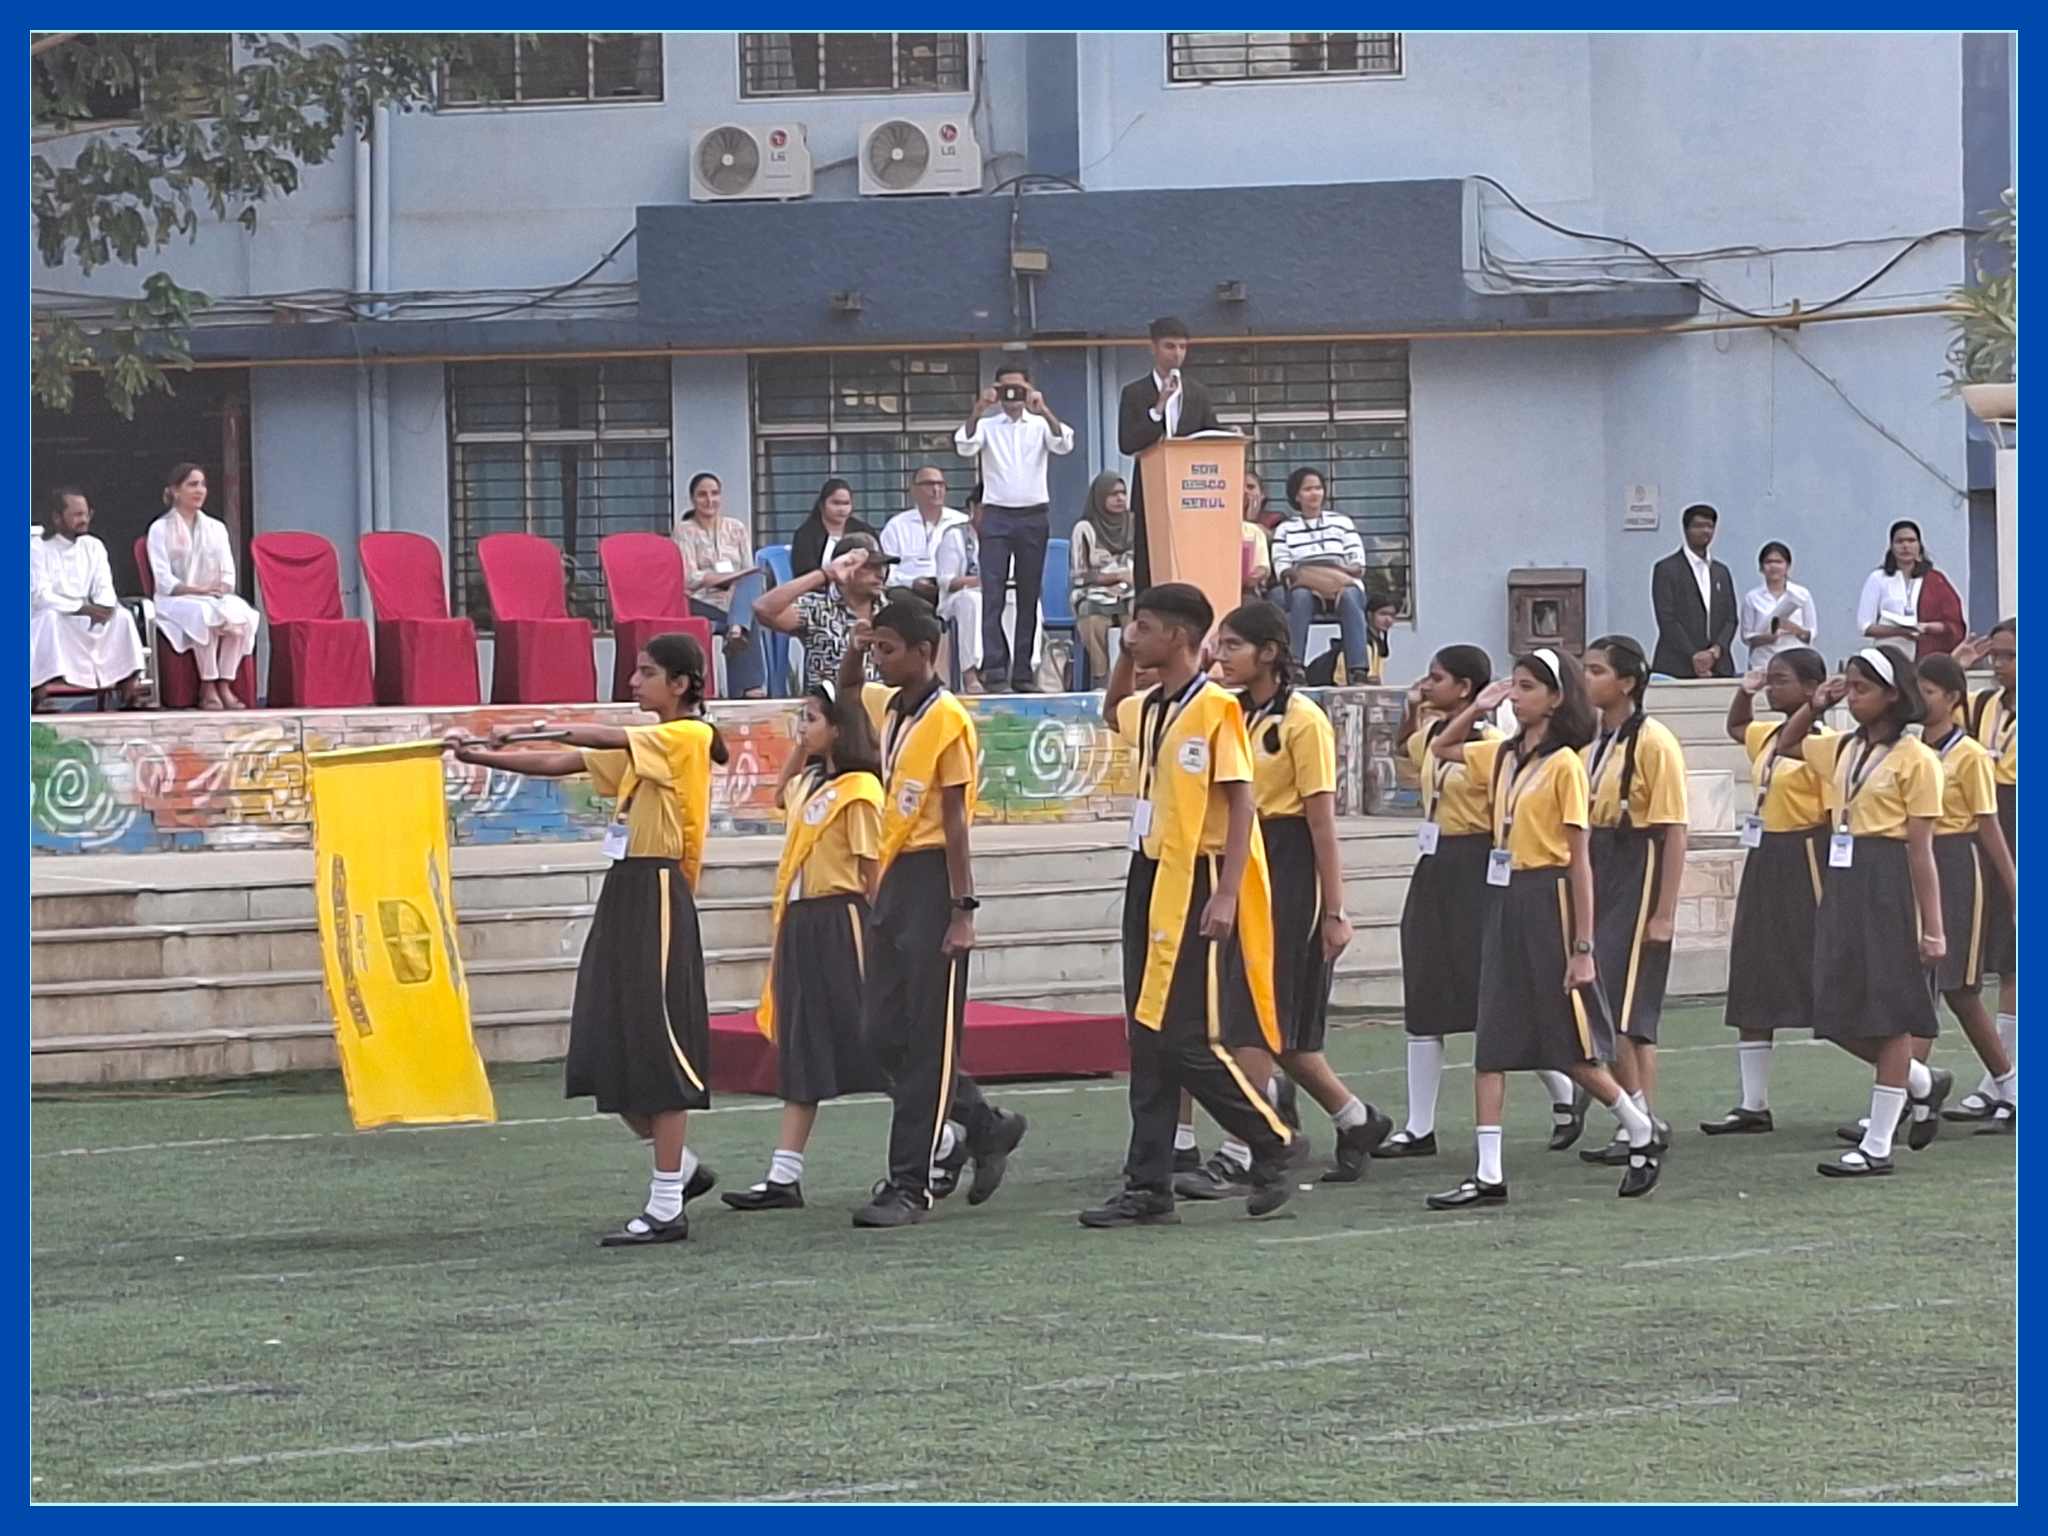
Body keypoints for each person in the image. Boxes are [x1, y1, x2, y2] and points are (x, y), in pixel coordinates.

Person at [446, 634, 726, 1244]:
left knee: (658, 1042)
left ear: (680, 683)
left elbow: (597, 737)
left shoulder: (687, 736)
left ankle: (666, 1205)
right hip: (626, 888)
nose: (634, 681)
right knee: (606, 1043)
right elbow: (563, 764)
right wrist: (482, 756)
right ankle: (681, 1173)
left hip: (657, 888)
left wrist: (527, 728)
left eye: (647, 672)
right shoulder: (648, 745)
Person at [1080, 583, 1296, 1228]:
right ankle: (1148, 1185)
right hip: (1151, 871)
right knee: (1145, 1035)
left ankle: (1271, 1139)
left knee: (1182, 1037)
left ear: (1178, 637)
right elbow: (1112, 709)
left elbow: (1241, 801)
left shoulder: (1215, 709)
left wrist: (1227, 891)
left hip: (1198, 876)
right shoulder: (1152, 707)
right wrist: (1124, 655)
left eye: (1143, 627)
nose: (1132, 635)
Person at [1168, 602, 1391, 1196]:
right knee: (1271, 1028)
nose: (1221, 657)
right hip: (1241, 861)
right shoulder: (1228, 711)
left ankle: (1244, 1149)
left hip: (1287, 867)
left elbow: (1321, 823)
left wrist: (1335, 910)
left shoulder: (1302, 720)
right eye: (1219, 645)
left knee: (1256, 1019)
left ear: (1269, 652)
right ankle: (1355, 1119)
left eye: (1234, 646)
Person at [1425, 649, 1662, 1205]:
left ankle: (1638, 1124)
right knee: (1492, 1037)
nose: (1517, 695)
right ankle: (1488, 1173)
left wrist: (1583, 946)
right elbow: (1441, 748)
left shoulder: (1564, 766)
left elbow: (1579, 860)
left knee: (1566, 1041)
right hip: (1504, 896)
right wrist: (1478, 706)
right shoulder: (1504, 756)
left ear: (1557, 698)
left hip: (1547, 896)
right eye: (1516, 685)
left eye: (1529, 687)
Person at [839, 597, 1028, 1227]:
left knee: (929, 1040)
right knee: (880, 1034)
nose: (879, 659)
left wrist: (961, 909)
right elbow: (846, 692)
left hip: (932, 879)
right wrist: (856, 644)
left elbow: (954, 823)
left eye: (888, 649)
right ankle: (984, 1124)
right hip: (894, 876)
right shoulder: (892, 706)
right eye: (876, 647)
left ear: (924, 651)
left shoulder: (948, 720)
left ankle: (909, 1184)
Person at [1772, 647, 1950, 1178]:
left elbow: (1921, 851)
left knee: (1888, 1011)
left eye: (1862, 688)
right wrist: (1815, 704)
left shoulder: (1916, 759)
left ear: (1893, 695)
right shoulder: (1844, 748)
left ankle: (1878, 1144)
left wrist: (1933, 927)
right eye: (1848, 686)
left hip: (1888, 879)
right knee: (1830, 1007)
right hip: (1844, 877)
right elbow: (1786, 744)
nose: (1851, 697)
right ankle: (1920, 1081)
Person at [724, 681, 887, 1211]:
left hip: (841, 918)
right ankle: (784, 1174)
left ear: (839, 728)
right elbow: (780, 793)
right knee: (801, 1044)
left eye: (812, 719)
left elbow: (873, 873)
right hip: (799, 922)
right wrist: (802, 745)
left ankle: (950, 1132)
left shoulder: (860, 791)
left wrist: (885, 935)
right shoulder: (813, 783)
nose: (802, 728)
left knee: (873, 1036)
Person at [1700, 647, 1831, 1135]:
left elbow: (1834, 813)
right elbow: (1738, 726)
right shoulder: (1769, 736)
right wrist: (1745, 690)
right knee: (1753, 967)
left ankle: (1911, 1080)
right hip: (1766, 854)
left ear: (1812, 688)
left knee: (1816, 969)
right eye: (1771, 679)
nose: (1773, 688)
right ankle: (1752, 1103)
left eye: (1782, 680)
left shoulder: (1826, 745)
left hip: (1806, 854)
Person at [1381, 645, 1499, 1156]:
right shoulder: (1432, 735)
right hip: (1436, 861)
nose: (1428, 685)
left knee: (1490, 990)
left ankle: (1564, 1091)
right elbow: (1406, 748)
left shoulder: (1493, 744)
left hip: (1477, 861)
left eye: (1438, 678)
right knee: (1426, 987)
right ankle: (1419, 1125)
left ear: (1466, 689)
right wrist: (1411, 708)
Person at [1577, 636, 1688, 1164]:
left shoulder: (1654, 742)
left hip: (1635, 862)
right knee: (1620, 1006)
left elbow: (1674, 830)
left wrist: (1664, 912)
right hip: (1598, 858)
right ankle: (1641, 1118)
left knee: (1617, 999)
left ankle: (1638, 1119)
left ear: (1627, 682)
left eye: (1597, 671)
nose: (1587, 679)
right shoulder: (1593, 740)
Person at [1914, 654, 2017, 1130]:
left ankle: (2008, 1086)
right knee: (1929, 985)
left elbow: (1988, 826)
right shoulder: (1911, 748)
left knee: (1958, 986)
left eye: (1929, 692)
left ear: (1953, 698)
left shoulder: (1970, 754)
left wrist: (2014, 889)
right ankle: (1909, 1090)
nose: (1920, 700)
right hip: (1917, 861)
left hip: (1957, 862)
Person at [953, 360, 1074, 693]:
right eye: (1005, 389)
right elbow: (964, 445)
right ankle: (995, 670)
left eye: (1017, 389)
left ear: (1028, 388)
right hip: (996, 515)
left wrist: (1042, 407)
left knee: (1028, 594)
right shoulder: (988, 425)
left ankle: (1022, 673)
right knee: (992, 592)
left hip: (1033, 515)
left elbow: (1064, 443)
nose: (1011, 396)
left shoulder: (1039, 424)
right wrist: (979, 408)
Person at [1949, 619, 2017, 1125]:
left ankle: (2006, 1078)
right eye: (1996, 655)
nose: (1999, 665)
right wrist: (1956, 668)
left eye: (2010, 656)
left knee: (2015, 957)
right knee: (1992, 953)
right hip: (1985, 821)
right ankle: (2001, 1076)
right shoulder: (1981, 705)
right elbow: (1927, 712)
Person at [1118, 317, 1225, 588]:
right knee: (1149, 562)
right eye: (1169, 346)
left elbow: (1211, 435)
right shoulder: (1134, 392)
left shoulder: (1197, 393)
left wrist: (1229, 436)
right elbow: (1127, 443)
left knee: (1190, 562)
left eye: (1182, 347)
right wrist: (1158, 408)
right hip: (1150, 489)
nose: (1177, 354)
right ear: (1153, 348)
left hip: (1191, 491)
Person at [145, 462, 261, 710]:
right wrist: (197, 591)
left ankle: (225, 683)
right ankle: (207, 685)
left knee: (241, 614)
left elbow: (228, 573)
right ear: (176, 491)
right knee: (204, 613)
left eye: (202, 485)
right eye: (192, 485)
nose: (200, 490)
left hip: (212, 596)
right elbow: (164, 580)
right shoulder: (160, 529)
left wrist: (219, 590)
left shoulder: (216, 528)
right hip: (174, 600)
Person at [31, 487, 145, 711]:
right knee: (49, 620)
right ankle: (40, 693)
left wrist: (105, 608)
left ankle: (129, 690)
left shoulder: (94, 546)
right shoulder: (38, 548)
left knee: (121, 617)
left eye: (86, 514)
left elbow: (104, 586)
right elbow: (41, 596)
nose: (83, 520)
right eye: (76, 515)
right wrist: (81, 608)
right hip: (55, 615)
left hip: (87, 616)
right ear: (57, 517)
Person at [880, 466, 982, 693]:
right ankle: (928, 678)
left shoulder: (960, 522)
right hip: (909, 590)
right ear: (913, 490)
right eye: (928, 484)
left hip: (949, 588)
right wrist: (913, 583)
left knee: (973, 602)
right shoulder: (897, 525)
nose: (936, 490)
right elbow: (887, 572)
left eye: (940, 485)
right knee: (914, 609)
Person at [755, 537, 894, 692]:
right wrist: (826, 574)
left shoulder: (893, 608)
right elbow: (763, 609)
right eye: (869, 567)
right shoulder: (817, 607)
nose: (881, 574)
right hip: (831, 703)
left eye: (882, 566)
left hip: (884, 702)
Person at [673, 472, 766, 699]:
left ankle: (736, 629)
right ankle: (748, 688)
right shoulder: (684, 530)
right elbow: (688, 577)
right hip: (701, 600)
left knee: (754, 580)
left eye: (714, 494)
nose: (709, 500)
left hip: (734, 598)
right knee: (747, 617)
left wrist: (736, 579)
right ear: (692, 499)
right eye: (702, 495)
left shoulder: (736, 528)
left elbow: (748, 568)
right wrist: (717, 579)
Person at [1270, 468, 1371, 677]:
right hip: (1305, 585)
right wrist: (1291, 574)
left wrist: (1344, 569)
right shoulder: (1285, 529)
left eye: (1318, 488)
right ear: (1297, 496)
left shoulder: (1342, 522)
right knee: (1300, 596)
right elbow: (1281, 563)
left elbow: (1357, 561)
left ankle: (1358, 669)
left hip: (1341, 583)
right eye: (1307, 489)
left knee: (1351, 596)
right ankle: (1294, 666)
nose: (1314, 493)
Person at [1649, 503, 1738, 679]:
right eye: (1698, 526)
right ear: (1686, 529)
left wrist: (1715, 650)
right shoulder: (1666, 569)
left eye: (1710, 526)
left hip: (1718, 666)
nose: (1705, 531)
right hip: (1677, 665)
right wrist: (1694, 654)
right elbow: (1667, 619)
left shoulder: (1720, 571)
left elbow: (1731, 619)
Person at [1856, 519, 1965, 661]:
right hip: (1889, 655)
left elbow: (1953, 624)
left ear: (1920, 546)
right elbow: (1865, 627)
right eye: (1899, 541)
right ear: (1891, 547)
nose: (1905, 546)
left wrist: (1928, 627)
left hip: (1927, 657)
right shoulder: (1878, 578)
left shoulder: (1935, 580)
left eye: (1911, 540)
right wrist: (1901, 632)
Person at [1070, 470, 1136, 683]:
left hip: (1130, 591)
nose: (1120, 498)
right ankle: (1102, 677)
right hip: (1095, 592)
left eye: (1123, 493)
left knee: (1140, 613)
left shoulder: (1134, 523)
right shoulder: (1085, 528)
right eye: (1113, 494)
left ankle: (1134, 675)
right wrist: (1115, 577)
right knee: (1091, 615)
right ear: (1099, 497)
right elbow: (1079, 575)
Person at [1738, 541, 1818, 669]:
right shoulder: (1752, 597)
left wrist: (1794, 629)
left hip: (1796, 662)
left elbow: (1812, 632)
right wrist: (1766, 638)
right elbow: (1746, 636)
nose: (1774, 566)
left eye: (1779, 562)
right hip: (1763, 662)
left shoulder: (1802, 594)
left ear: (1788, 566)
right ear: (1761, 567)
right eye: (1769, 562)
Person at [789, 478, 878, 577]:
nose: (842, 509)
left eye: (846, 503)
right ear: (822, 505)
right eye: (836, 503)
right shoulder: (805, 535)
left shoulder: (864, 530)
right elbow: (803, 573)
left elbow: (878, 562)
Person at [1240, 474, 1273, 602]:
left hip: (1260, 585)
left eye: (1250, 487)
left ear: (1262, 494)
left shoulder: (1274, 518)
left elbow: (1272, 537)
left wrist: (1251, 521)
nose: (1245, 491)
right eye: (1240, 486)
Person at [1362, 593, 1396, 684]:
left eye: (1392, 615)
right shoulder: (1363, 643)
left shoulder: (1377, 642)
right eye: (1383, 614)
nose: (1388, 620)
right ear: (1369, 615)